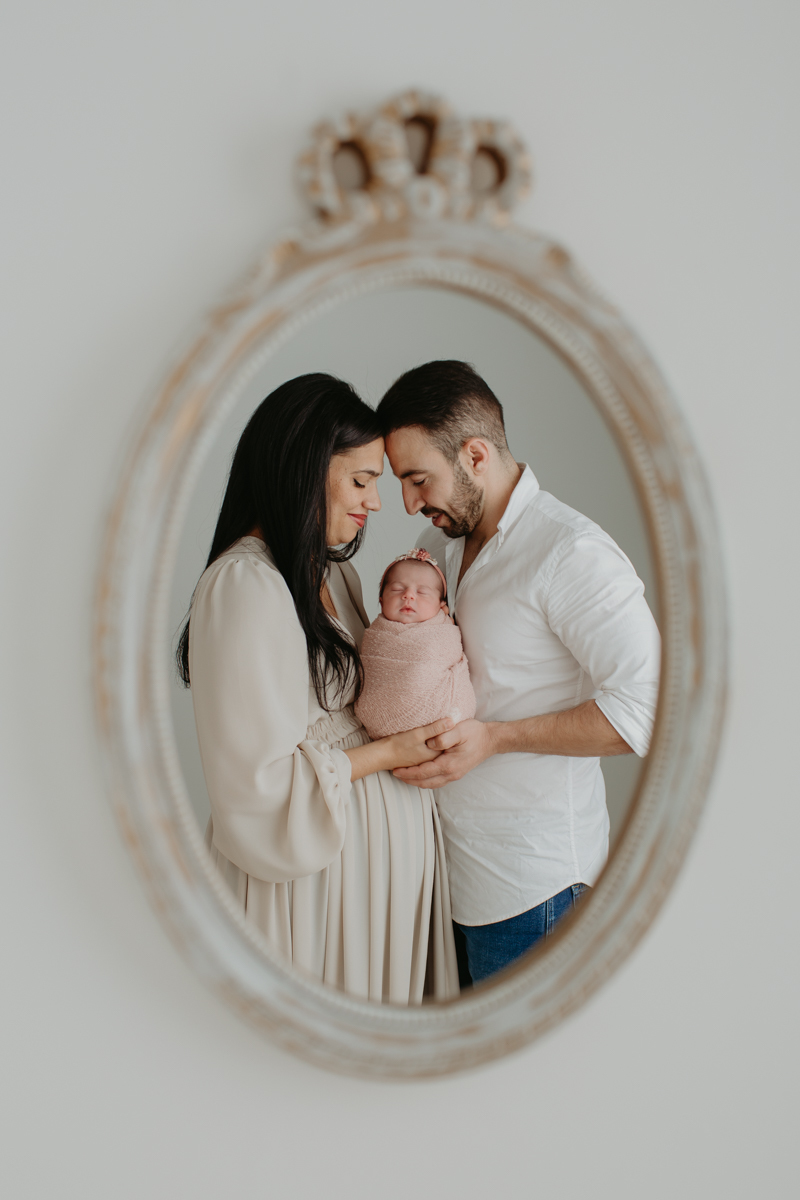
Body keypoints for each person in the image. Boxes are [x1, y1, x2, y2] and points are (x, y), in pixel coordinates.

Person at [177, 374, 459, 1004]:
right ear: (302, 469)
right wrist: (389, 754)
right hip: (314, 891)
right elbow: (256, 786)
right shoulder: (245, 586)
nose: (377, 503)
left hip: (376, 891)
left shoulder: (340, 574)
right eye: (361, 481)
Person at [377, 360, 661, 986]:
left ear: (475, 455)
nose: (408, 503)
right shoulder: (443, 549)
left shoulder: (570, 551)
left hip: (537, 895)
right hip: (450, 884)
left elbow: (646, 710)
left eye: (418, 479)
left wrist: (496, 737)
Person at [354, 549, 476, 740]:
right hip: (382, 722)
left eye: (422, 592)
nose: (408, 595)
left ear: (441, 605)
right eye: (397, 589)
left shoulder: (443, 632)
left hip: (439, 719)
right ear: (381, 600)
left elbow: (449, 655)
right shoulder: (375, 635)